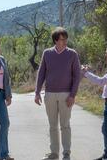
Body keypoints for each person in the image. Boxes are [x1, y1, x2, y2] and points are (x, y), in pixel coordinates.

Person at [35, 27, 82, 160]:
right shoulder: (47, 53)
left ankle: (66, 152)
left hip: (66, 95)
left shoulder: (72, 54)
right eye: (62, 39)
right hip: (50, 94)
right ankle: (54, 153)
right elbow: (41, 73)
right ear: (56, 40)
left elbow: (77, 76)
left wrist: (72, 95)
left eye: (66, 38)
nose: (65, 41)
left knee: (65, 125)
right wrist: (37, 92)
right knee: (52, 125)